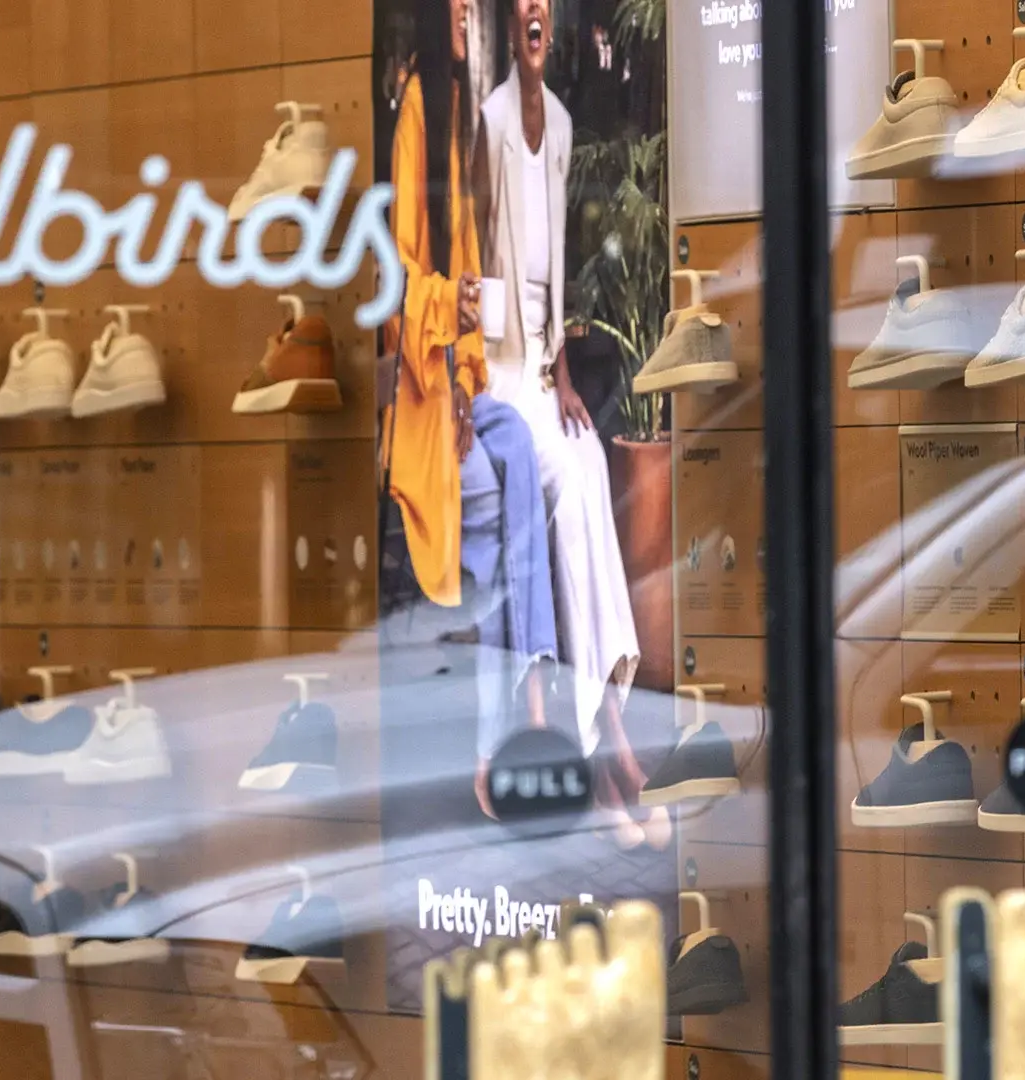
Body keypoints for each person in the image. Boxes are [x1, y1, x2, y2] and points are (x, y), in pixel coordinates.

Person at [476, 0, 651, 843]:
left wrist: (565, 375)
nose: (536, 11)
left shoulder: (566, 122)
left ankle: (608, 718)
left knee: (586, 464)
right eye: (523, 2)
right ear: (512, 24)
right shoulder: (487, 122)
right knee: (566, 493)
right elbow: (474, 255)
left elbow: (560, 269)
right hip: (496, 373)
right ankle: (598, 750)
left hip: (543, 373)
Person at [385, 0, 557, 815]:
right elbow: (397, 282)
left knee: (516, 442)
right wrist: (449, 307)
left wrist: (466, 385)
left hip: (456, 382)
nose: (464, 13)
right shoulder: (418, 109)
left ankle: (534, 691)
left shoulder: (454, 110)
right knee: (487, 503)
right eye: (452, 4)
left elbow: (468, 273)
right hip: (418, 393)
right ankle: (499, 741)